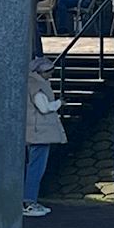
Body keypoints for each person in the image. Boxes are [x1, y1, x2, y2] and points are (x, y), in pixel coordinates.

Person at [24, 57, 65, 218]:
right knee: (36, 168)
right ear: (42, 72)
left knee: (33, 166)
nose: (51, 75)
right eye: (50, 72)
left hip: (35, 131)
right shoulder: (37, 86)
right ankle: (29, 201)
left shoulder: (30, 83)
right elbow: (44, 107)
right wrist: (58, 103)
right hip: (40, 132)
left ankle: (29, 200)